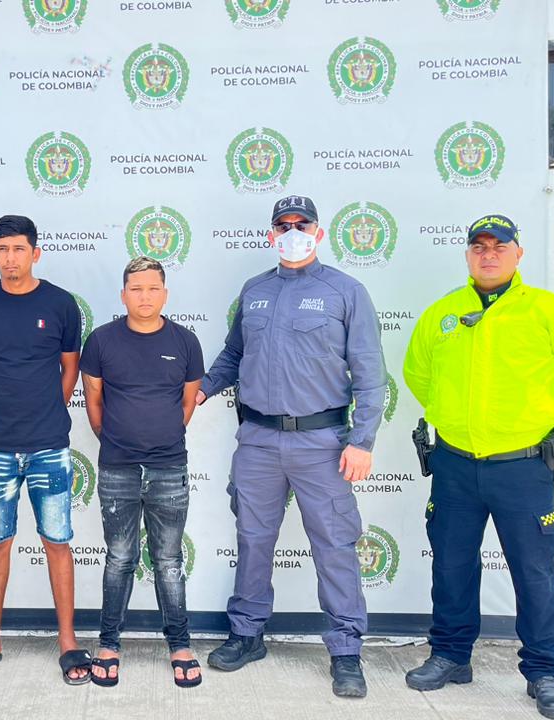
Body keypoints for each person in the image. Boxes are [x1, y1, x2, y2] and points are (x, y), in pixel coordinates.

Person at [401, 214, 554, 720]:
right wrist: (455, 421)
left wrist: (545, 423)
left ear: (518, 253)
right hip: (454, 463)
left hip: (524, 467)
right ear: (468, 254)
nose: (488, 254)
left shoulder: (550, 312)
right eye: (479, 246)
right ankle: (451, 655)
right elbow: (418, 375)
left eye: (499, 246)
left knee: (535, 571)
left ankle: (544, 671)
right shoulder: (443, 314)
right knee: (451, 564)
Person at [197, 195, 385, 698]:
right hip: (258, 441)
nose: (293, 231)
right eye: (284, 225)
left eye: (303, 224)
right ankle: (247, 634)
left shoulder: (345, 291)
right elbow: (234, 353)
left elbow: (370, 374)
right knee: (253, 540)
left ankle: (346, 650)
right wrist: (202, 389)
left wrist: (362, 440)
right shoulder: (255, 291)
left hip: (322, 443)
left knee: (334, 545)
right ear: (271, 234)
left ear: (319, 233)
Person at [0, 215, 92, 685]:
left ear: (35, 252)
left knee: (57, 541)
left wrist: (47, 409)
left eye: (18, 249)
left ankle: (68, 641)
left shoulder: (60, 304)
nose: (10, 258)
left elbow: (69, 369)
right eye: (2, 248)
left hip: (49, 445)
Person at [79, 256, 205, 689]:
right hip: (118, 468)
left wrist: (160, 438)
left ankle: (180, 645)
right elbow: (94, 402)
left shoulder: (186, 342)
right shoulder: (101, 341)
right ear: (123, 295)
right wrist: (118, 440)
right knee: (119, 558)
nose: (144, 297)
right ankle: (109, 644)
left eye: (153, 289)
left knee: (168, 560)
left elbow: (186, 404)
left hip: (169, 467)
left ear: (165, 294)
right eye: (136, 289)